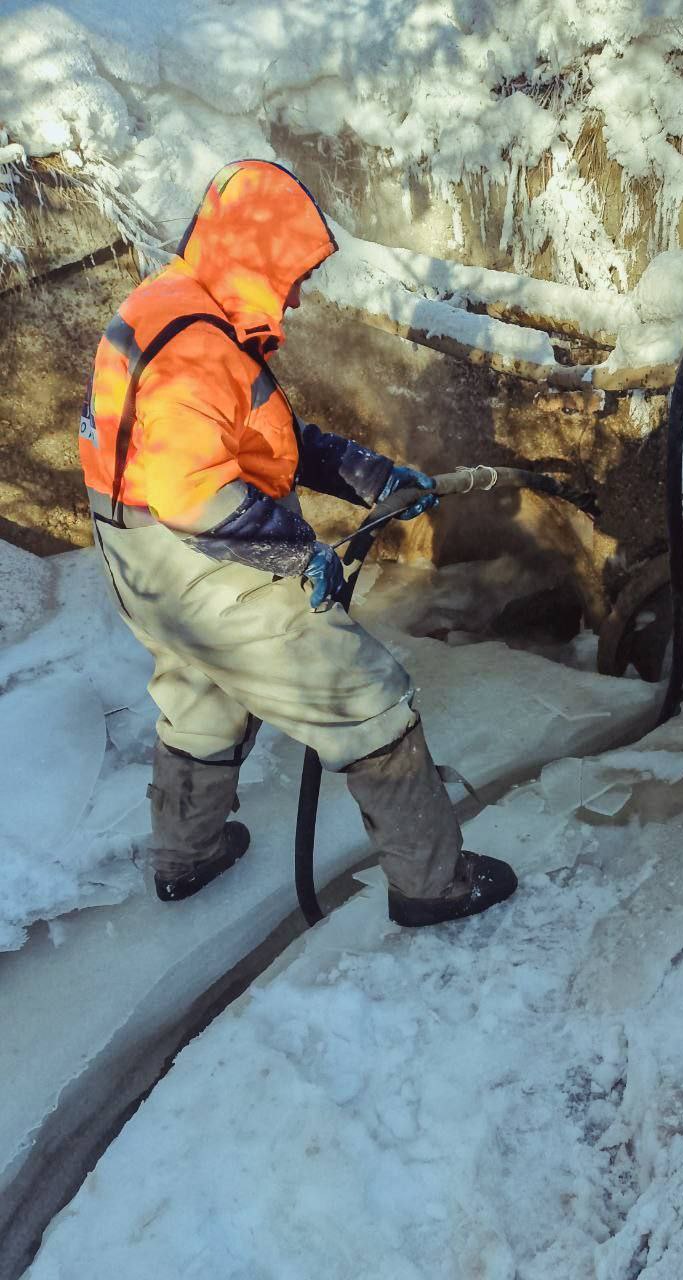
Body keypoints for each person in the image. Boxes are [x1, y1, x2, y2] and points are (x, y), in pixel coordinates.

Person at [78, 158, 517, 928]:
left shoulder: (169, 306)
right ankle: (433, 886)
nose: (297, 296)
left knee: (201, 700)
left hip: (140, 560)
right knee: (370, 703)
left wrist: (369, 475)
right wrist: (297, 552)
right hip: (203, 563)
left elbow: (258, 437)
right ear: (252, 259)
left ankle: (186, 857)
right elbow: (196, 496)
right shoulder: (196, 347)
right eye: (291, 277)